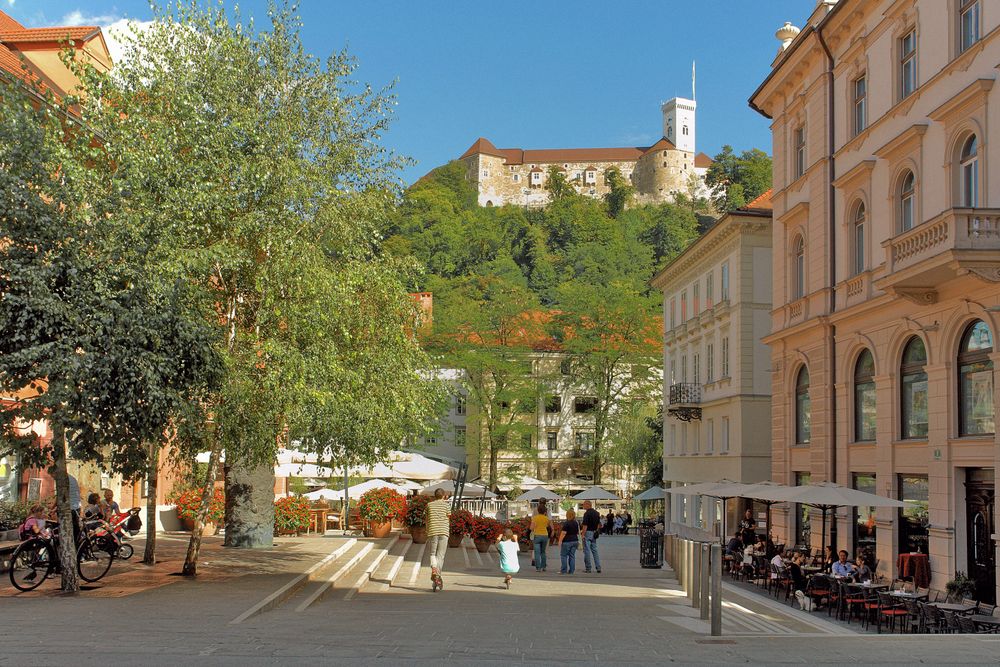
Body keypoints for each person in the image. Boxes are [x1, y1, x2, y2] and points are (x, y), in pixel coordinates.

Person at [425, 488, 450, 591]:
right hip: (443, 532)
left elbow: (426, 518)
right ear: (443, 495)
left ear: (434, 496)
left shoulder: (429, 505)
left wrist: (427, 530)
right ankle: (437, 574)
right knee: (441, 555)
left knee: (432, 553)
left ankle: (434, 570)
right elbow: (448, 517)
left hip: (432, 531)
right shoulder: (447, 505)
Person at [580, 500, 602, 574]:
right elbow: (599, 524)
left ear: (588, 505)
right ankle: (598, 567)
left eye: (584, 505)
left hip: (588, 532)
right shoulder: (596, 513)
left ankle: (588, 568)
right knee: (595, 550)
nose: (583, 506)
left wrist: (582, 535)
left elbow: (585, 525)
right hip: (594, 532)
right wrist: (597, 531)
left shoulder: (587, 514)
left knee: (587, 550)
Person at [558, 509, 581, 575]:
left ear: (567, 515)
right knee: (572, 556)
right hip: (575, 541)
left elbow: (563, 533)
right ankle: (571, 571)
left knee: (564, 555)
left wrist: (560, 541)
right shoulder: (576, 523)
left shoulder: (566, 523)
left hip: (567, 541)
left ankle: (563, 570)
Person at [531, 502, 551, 572]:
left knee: (537, 552)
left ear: (538, 510)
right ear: (545, 511)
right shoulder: (547, 518)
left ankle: (538, 568)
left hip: (537, 535)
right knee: (543, 552)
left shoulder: (535, 518)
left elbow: (531, 528)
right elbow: (548, 526)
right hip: (545, 535)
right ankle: (544, 566)